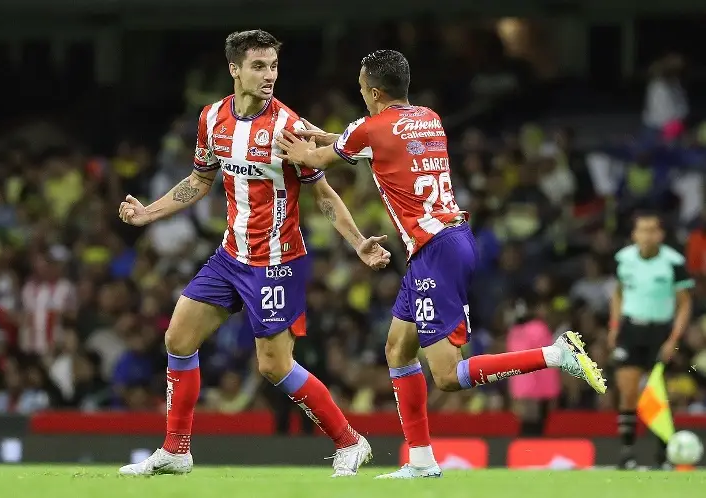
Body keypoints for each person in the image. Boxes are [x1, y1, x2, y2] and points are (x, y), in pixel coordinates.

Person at [276, 49, 607, 479]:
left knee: (447, 376)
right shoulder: (428, 118)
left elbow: (319, 158)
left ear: (374, 92)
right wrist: (319, 135)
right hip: (444, 243)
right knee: (397, 347)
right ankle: (421, 460)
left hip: (437, 251)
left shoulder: (371, 129)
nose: (360, 94)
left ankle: (555, 353)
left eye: (361, 89)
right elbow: (355, 139)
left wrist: (293, 143)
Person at [117, 30, 390, 477]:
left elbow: (322, 193)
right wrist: (149, 214)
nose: (269, 76)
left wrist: (358, 241)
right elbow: (200, 181)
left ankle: (350, 441)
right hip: (230, 255)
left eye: (274, 66)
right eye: (259, 66)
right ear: (234, 70)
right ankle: (176, 450)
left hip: (277, 263)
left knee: (274, 367)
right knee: (177, 339)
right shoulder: (211, 120)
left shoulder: (287, 127)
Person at [608, 212, 694, 469]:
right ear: (634, 235)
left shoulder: (673, 262)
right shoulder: (623, 259)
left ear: (661, 234)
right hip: (632, 329)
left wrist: (674, 339)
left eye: (652, 230)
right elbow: (618, 293)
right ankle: (627, 453)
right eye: (642, 230)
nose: (647, 236)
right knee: (628, 391)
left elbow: (685, 303)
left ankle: (664, 453)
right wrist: (614, 325)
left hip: (661, 332)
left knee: (660, 393)